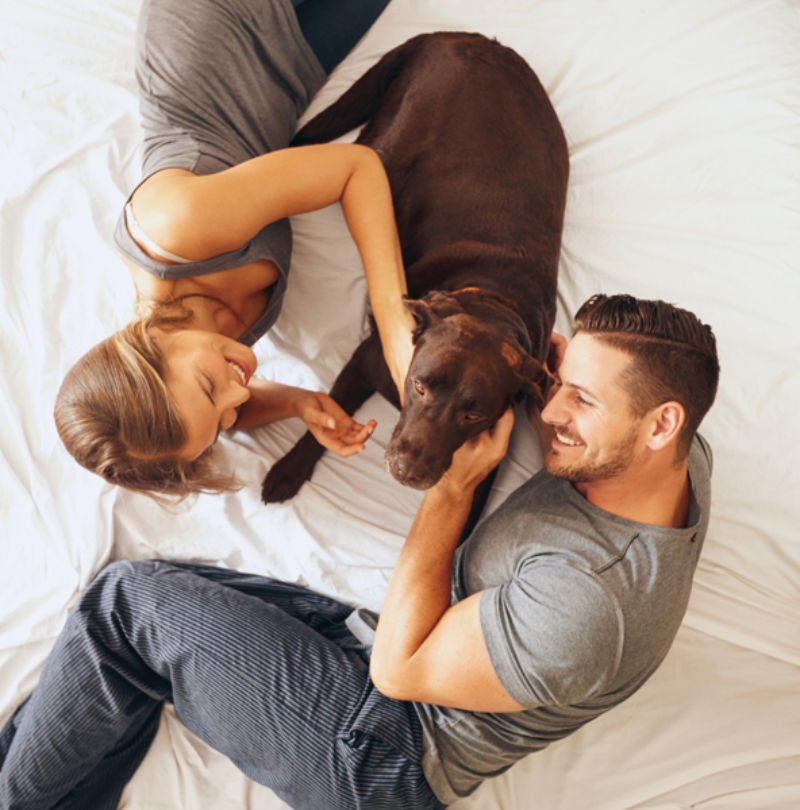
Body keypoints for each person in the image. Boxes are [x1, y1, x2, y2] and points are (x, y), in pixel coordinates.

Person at [0, 294, 720, 809]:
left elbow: (400, 671)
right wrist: (544, 382)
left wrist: (453, 490)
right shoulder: (676, 458)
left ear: (662, 424)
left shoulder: (588, 606)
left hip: (384, 752)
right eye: (561, 388)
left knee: (123, 607)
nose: (552, 413)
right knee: (145, 628)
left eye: (580, 402)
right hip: (370, 667)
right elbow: (585, 407)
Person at [53, 0, 416, 496]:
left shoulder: (178, 228)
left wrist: (393, 322)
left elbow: (356, 169)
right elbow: (227, 406)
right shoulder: (198, 346)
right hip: (286, 77)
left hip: (217, 23)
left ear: (151, 345)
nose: (239, 390)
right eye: (221, 421)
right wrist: (299, 403)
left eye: (211, 388)